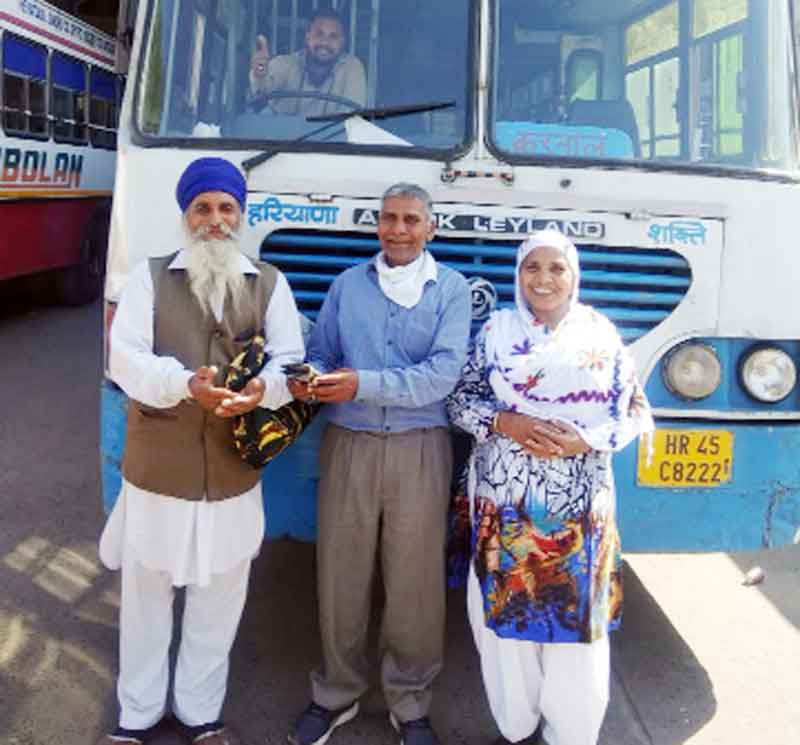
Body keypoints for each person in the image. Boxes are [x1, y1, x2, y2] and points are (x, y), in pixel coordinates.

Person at [97, 157, 304, 745]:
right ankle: (136, 717)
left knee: (219, 599)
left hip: (233, 472)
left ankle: (200, 715)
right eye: (203, 208)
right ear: (186, 215)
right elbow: (125, 358)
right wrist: (185, 383)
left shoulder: (269, 283)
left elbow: (291, 359)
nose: (215, 219)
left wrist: (263, 390)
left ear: (241, 214)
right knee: (146, 597)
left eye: (226, 207)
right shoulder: (150, 277)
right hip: (159, 468)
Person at [446, 230, 654, 745]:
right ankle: (516, 730)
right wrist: (506, 423)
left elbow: (634, 411)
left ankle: (569, 735)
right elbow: (459, 401)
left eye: (556, 268)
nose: (543, 279)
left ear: (573, 275)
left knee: (576, 633)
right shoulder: (495, 331)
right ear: (518, 274)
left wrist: (585, 439)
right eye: (531, 267)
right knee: (503, 630)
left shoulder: (600, 334)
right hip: (504, 508)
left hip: (578, 513)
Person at [286, 183, 472, 745]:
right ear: (377, 225)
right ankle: (336, 693)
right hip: (350, 443)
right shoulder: (348, 285)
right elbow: (323, 350)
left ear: (431, 228)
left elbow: (442, 375)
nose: (399, 230)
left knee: (415, 580)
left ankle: (410, 701)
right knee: (340, 574)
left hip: (420, 447)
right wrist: (310, 376)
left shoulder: (452, 290)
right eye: (389, 218)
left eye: (411, 219)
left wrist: (362, 383)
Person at [249, 8, 366, 116]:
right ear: (308, 36)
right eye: (319, 34)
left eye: (333, 36)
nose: (325, 42)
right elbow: (261, 89)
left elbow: (350, 119)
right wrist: (260, 71)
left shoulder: (352, 68)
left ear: (342, 42)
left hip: (332, 133)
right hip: (279, 132)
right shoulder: (286, 63)